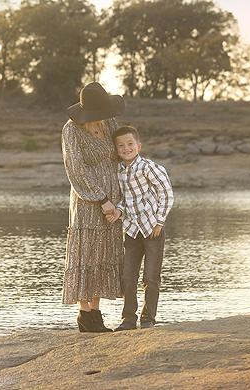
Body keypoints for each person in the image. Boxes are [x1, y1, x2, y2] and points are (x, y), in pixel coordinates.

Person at [62, 82, 126, 333]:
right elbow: (76, 169)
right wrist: (101, 199)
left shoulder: (108, 123)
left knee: (104, 254)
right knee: (85, 254)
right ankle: (84, 314)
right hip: (89, 200)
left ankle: (96, 314)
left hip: (113, 201)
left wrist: (117, 200)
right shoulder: (71, 130)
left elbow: (122, 150)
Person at [110, 125, 173, 331]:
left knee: (150, 277)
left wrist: (159, 221)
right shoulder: (118, 171)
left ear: (138, 146)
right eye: (121, 145)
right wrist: (118, 211)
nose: (126, 148)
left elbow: (166, 194)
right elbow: (123, 199)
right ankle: (128, 319)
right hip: (131, 230)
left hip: (152, 229)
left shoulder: (149, 167)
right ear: (117, 149)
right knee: (128, 276)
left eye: (129, 144)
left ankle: (148, 319)